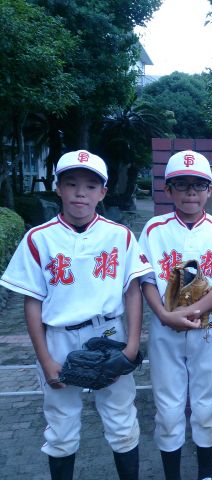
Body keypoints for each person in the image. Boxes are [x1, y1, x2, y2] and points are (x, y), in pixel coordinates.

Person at [0, 150, 151, 480]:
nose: (80, 192)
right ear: (58, 187)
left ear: (103, 192)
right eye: (71, 183)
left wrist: (131, 347)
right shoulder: (38, 238)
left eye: (90, 185)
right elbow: (32, 301)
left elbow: (132, 290)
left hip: (109, 333)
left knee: (122, 422)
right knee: (61, 427)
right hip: (59, 337)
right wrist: (45, 359)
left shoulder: (120, 235)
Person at [138, 150, 212, 480]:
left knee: (206, 407)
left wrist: (194, 309)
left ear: (210, 190)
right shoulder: (154, 228)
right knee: (168, 410)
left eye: (198, 185)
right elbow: (145, 279)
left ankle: (205, 475)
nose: (190, 193)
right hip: (165, 328)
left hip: (208, 326)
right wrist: (163, 314)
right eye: (181, 185)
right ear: (168, 190)